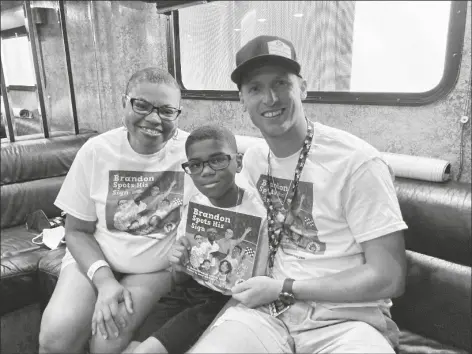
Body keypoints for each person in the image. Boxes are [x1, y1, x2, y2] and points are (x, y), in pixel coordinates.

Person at [189, 35, 408, 354]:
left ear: (302, 88)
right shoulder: (253, 160)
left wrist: (284, 287)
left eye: (281, 83)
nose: (270, 98)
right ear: (242, 99)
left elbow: (389, 277)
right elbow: (246, 245)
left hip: (344, 321)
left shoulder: (356, 163)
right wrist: (196, 256)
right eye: (255, 88)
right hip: (268, 314)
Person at [38, 67, 191, 354]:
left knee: (106, 342)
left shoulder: (191, 152)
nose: (154, 118)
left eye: (167, 111)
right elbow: (77, 232)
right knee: (55, 336)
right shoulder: (97, 151)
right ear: (125, 102)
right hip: (95, 258)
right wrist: (105, 280)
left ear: (178, 114)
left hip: (152, 269)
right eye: (142, 105)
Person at [125, 125, 268, 354]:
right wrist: (179, 264)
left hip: (219, 302)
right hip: (185, 294)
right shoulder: (196, 204)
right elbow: (180, 279)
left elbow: (256, 285)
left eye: (218, 160)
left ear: (238, 162)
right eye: (195, 164)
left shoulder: (257, 214)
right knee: (131, 348)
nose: (207, 171)